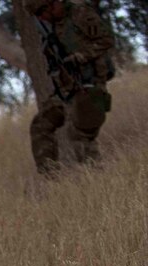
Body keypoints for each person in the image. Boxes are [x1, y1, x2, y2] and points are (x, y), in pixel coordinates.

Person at [27, 0, 115, 173]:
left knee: (80, 136)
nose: (40, 18)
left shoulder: (80, 13)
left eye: (40, 13)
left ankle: (98, 181)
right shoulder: (50, 27)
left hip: (90, 86)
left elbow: (107, 39)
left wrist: (81, 56)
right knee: (40, 125)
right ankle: (51, 181)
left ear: (51, 5)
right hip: (67, 91)